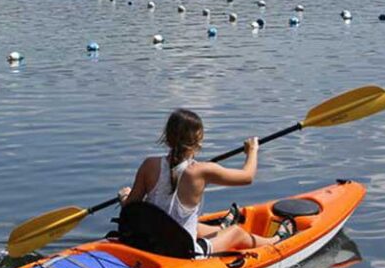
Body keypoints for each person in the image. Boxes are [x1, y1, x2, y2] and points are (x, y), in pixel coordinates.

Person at [118, 109, 294, 257]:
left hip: (147, 241)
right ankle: (277, 240)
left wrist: (124, 197)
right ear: (198, 139)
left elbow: (130, 209)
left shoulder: (149, 165)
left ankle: (220, 228)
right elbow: (247, 177)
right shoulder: (202, 171)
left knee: (191, 223)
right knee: (237, 233)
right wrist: (252, 151)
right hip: (182, 252)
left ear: (168, 137)